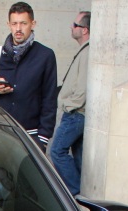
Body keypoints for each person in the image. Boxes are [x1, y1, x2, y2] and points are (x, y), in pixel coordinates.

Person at [0, 2, 57, 150]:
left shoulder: (45, 55)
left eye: (23, 23)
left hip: (30, 136)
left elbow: (49, 99)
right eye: (14, 23)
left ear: (33, 24)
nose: (18, 29)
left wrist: (43, 139)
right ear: (8, 24)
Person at [49, 11, 90, 193]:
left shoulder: (88, 52)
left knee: (57, 152)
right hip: (76, 113)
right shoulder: (84, 51)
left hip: (75, 113)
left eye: (75, 25)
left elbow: (82, 90)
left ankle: (75, 195)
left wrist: (67, 105)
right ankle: (80, 194)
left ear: (85, 30)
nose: (71, 28)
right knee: (79, 159)